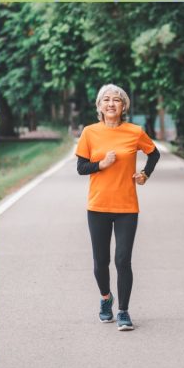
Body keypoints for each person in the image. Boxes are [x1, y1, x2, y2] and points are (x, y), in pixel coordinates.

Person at [75, 84, 160, 331]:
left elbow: (154, 154)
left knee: (123, 260)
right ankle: (105, 299)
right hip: (98, 205)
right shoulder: (90, 132)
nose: (111, 104)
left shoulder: (134, 132)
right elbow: (81, 168)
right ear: (99, 106)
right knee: (100, 262)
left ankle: (123, 311)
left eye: (117, 100)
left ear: (124, 106)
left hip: (126, 207)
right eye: (106, 100)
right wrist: (101, 164)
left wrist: (145, 173)